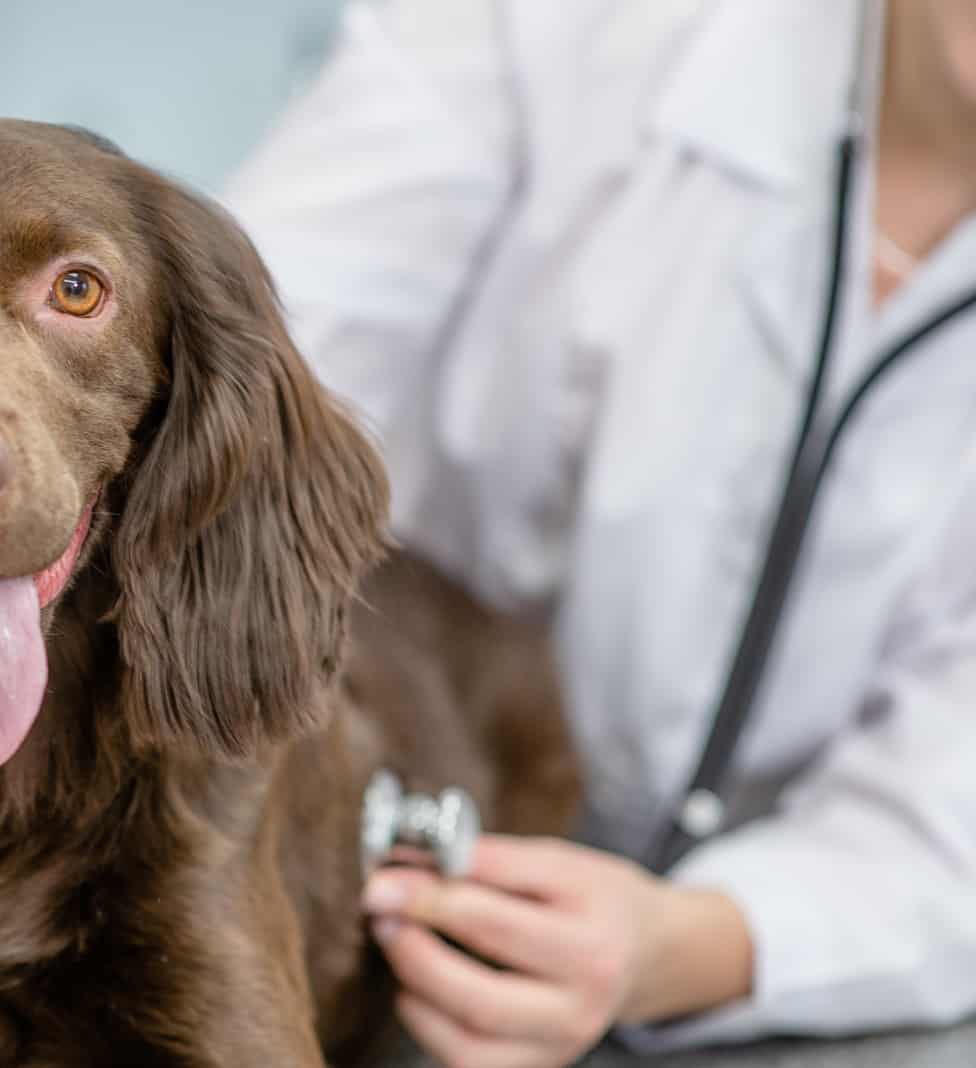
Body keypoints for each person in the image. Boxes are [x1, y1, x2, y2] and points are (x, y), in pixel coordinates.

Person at [223, 1, 976, 1064]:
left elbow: (950, 834)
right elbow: (234, 391)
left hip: (786, 908)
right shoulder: (550, 30)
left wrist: (688, 944)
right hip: (393, 756)